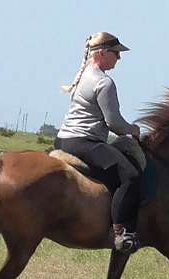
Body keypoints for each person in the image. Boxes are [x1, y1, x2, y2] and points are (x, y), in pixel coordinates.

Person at [55, 32, 141, 253]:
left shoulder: (84, 75)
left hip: (63, 140)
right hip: (85, 142)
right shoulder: (104, 82)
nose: (118, 59)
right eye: (116, 53)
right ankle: (121, 232)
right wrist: (133, 129)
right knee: (130, 176)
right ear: (101, 53)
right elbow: (114, 124)